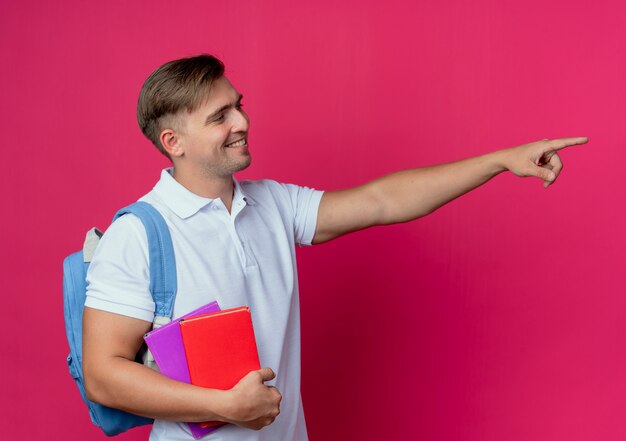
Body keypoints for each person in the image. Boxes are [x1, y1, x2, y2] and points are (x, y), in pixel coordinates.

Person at [82, 54, 587, 441]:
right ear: (174, 141)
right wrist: (226, 407)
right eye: (220, 116)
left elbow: (381, 200)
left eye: (239, 104)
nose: (242, 121)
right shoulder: (139, 233)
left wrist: (499, 160)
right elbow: (105, 377)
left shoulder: (273, 203)